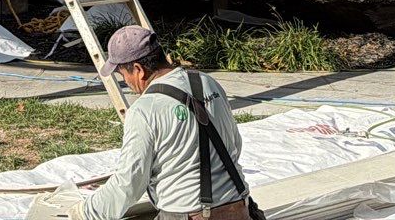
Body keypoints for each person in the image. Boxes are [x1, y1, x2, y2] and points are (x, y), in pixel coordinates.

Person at [30, 25, 253, 220]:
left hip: (187, 214)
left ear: (138, 69)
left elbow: (129, 184)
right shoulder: (207, 82)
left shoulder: (144, 110)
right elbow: (234, 144)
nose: (125, 82)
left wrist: (83, 213)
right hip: (239, 209)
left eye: (122, 74)